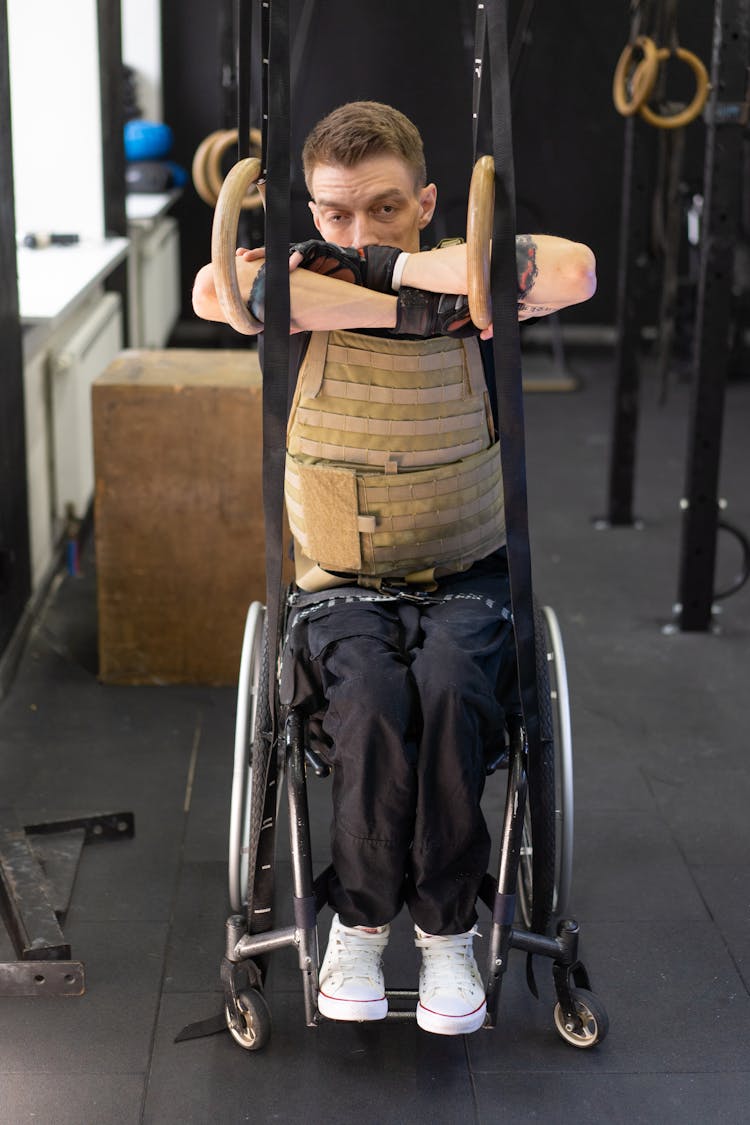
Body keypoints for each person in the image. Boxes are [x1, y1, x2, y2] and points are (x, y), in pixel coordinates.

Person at [193, 101, 596, 1036]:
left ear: (427, 201)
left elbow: (574, 269)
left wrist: (374, 276)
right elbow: (224, 291)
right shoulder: (442, 285)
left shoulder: (465, 262)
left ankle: (450, 930)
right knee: (371, 696)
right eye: (333, 216)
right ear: (309, 207)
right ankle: (366, 920)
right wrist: (421, 291)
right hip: (342, 583)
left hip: (468, 570)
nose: (356, 231)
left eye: (383, 211)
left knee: (456, 685)